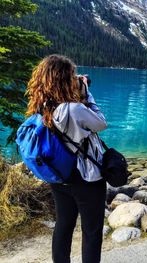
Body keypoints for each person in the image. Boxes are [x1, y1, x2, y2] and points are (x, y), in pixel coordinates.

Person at [26, 54, 107, 263]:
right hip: (86, 179)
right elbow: (100, 123)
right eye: (72, 75)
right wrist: (87, 94)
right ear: (64, 79)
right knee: (91, 231)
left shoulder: (42, 105)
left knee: (63, 225)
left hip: (59, 175)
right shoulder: (75, 108)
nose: (76, 79)